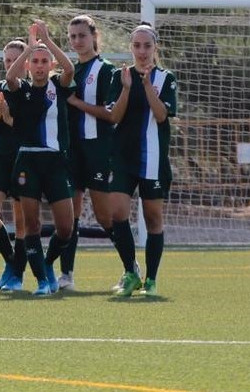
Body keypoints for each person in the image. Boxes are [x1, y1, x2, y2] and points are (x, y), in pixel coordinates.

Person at [5, 20, 75, 295]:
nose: (39, 65)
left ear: (50, 65)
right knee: (31, 223)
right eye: (35, 61)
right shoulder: (21, 88)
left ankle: (46, 264)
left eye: (44, 61)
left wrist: (47, 39)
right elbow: (10, 77)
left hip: (56, 161)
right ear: (28, 65)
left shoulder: (58, 84)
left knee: (66, 227)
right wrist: (30, 47)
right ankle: (43, 281)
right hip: (28, 162)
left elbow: (69, 69)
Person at [106, 23, 177, 297]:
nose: (142, 51)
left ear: (155, 47)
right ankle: (130, 272)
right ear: (131, 48)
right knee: (117, 213)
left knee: (153, 218)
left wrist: (147, 85)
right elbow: (114, 116)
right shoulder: (118, 76)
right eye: (137, 45)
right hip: (123, 157)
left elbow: (160, 116)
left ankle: (151, 280)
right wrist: (127, 88)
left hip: (153, 159)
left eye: (147, 45)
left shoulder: (165, 78)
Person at [59, 15, 117, 291]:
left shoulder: (106, 70)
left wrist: (77, 102)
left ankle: (130, 266)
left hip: (98, 150)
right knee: (69, 214)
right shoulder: (67, 71)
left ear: (94, 36)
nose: (77, 41)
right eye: (72, 36)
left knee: (105, 216)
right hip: (73, 151)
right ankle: (66, 274)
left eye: (81, 35)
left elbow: (111, 114)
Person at [0, 40, 27, 292]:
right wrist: (1, 111)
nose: (11, 64)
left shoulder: (32, 89)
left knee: (22, 223)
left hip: (24, 161)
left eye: (16, 60)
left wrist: (10, 116)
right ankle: (12, 261)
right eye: (7, 60)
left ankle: (17, 275)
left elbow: (25, 126)